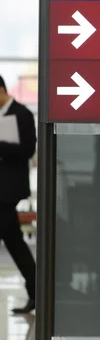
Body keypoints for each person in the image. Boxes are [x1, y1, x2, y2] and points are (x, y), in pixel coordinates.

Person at [0, 76, 36, 314]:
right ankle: (36, 291)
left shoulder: (22, 114)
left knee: (13, 240)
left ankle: (37, 290)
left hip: (8, 189)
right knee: (14, 241)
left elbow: (27, 150)